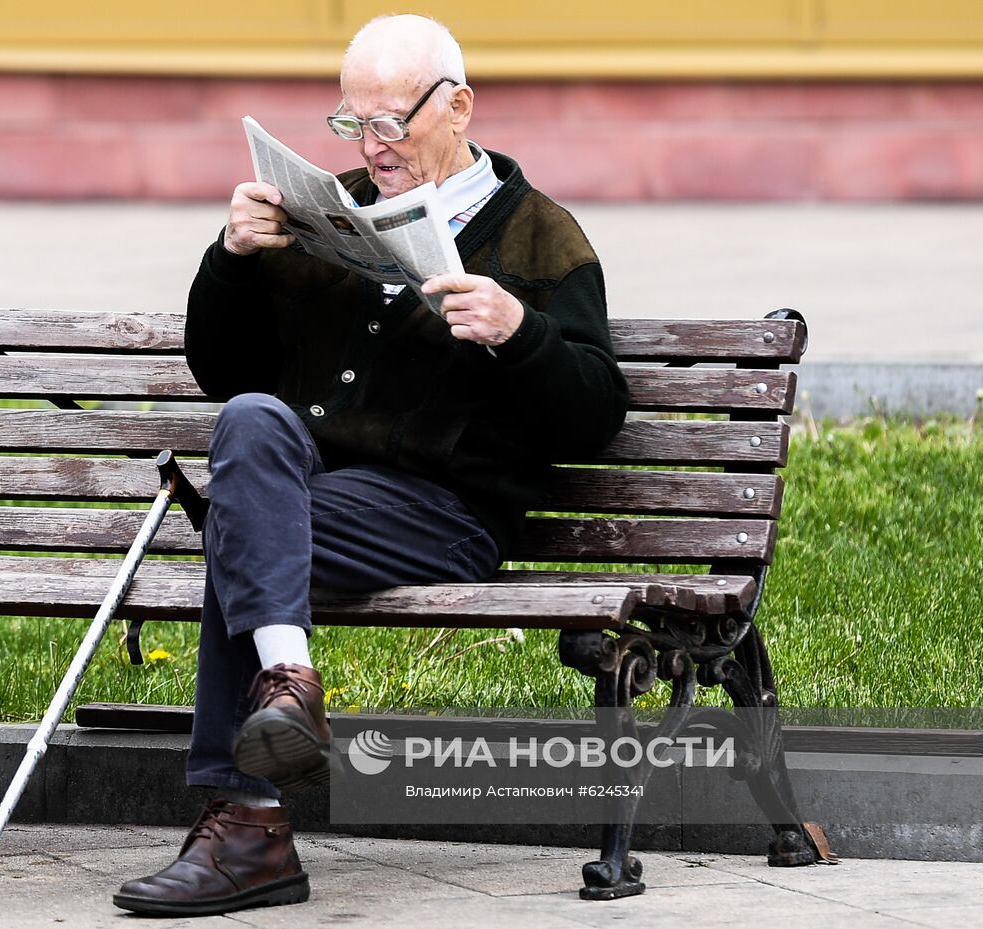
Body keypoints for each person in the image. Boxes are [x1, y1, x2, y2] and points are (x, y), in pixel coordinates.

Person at [113, 13, 629, 917]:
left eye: (391, 120)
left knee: (245, 530)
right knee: (251, 419)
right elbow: (221, 372)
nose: (373, 146)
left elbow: (595, 415)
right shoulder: (326, 212)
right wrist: (231, 260)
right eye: (353, 123)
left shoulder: (544, 238)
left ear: (458, 105)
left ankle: (249, 826)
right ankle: (290, 687)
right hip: (309, 486)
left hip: (444, 513)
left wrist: (520, 333)